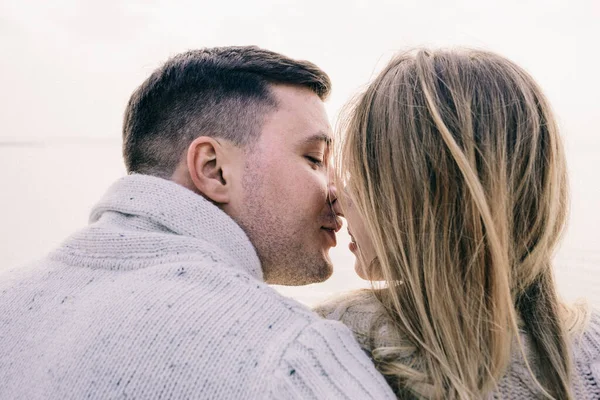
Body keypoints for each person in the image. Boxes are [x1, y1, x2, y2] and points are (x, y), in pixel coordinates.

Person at [0, 46, 395, 399]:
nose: (335, 192)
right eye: (313, 158)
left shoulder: (9, 300)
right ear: (213, 169)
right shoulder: (288, 358)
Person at [316, 49, 600, 399]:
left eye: (363, 180)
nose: (340, 203)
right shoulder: (590, 348)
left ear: (427, 199)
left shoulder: (333, 342)